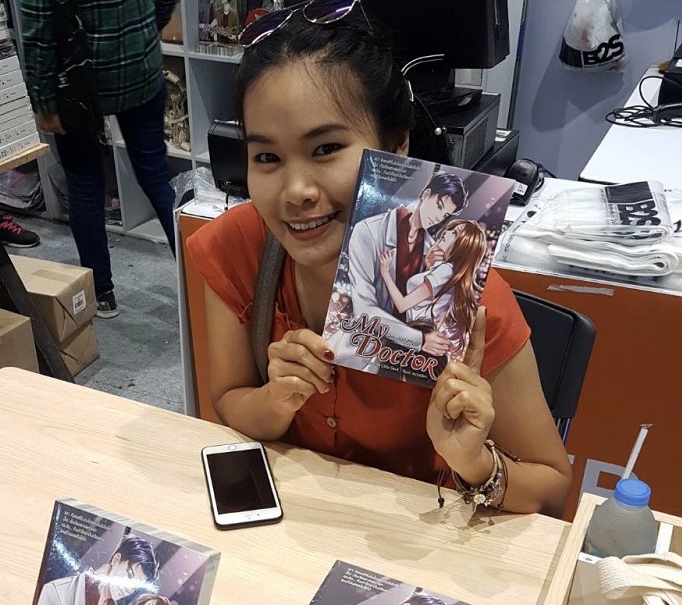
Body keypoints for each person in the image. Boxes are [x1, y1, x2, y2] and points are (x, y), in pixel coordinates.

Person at [185, 2, 571, 516]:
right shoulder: (238, 247)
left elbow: (552, 487)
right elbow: (229, 399)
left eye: (325, 149)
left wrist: (475, 462)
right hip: (292, 528)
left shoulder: (464, 296)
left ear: (396, 145)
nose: (296, 191)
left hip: (419, 538)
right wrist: (275, 400)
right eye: (267, 157)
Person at [21, 0, 179, 318]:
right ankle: (199, 283)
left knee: (84, 185)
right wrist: (146, 29)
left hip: (80, 72)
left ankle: (101, 293)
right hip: (139, 61)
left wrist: (43, 101)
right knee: (156, 177)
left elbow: (37, 25)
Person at [346, 172, 468, 359]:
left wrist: (428, 269)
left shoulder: (431, 249)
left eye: (445, 215)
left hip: (407, 357)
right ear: (426, 194)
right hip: (363, 349)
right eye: (438, 206)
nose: (439, 218)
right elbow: (363, 309)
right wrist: (420, 340)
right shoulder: (369, 231)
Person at [379, 219, 486, 363]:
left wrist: (385, 273)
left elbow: (402, 305)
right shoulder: (448, 270)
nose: (447, 233)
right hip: (422, 335)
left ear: (463, 246)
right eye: (450, 229)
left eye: (454, 233)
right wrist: (428, 267)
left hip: (420, 337)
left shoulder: (445, 270)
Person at [36, 535, 158, 605]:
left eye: (135, 587)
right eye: (129, 575)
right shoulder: (57, 591)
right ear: (116, 559)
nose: (128, 589)